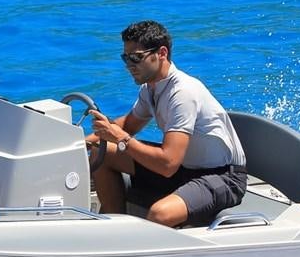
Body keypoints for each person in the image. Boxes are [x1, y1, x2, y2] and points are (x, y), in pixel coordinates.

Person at [88, 20, 247, 227]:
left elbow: (168, 164)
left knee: (160, 214)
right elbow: (127, 124)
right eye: (125, 58)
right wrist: (83, 142)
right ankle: (114, 230)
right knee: (102, 152)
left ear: (161, 53)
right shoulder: (151, 87)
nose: (129, 66)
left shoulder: (182, 93)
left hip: (222, 177)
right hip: (185, 169)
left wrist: (120, 138)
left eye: (136, 58)